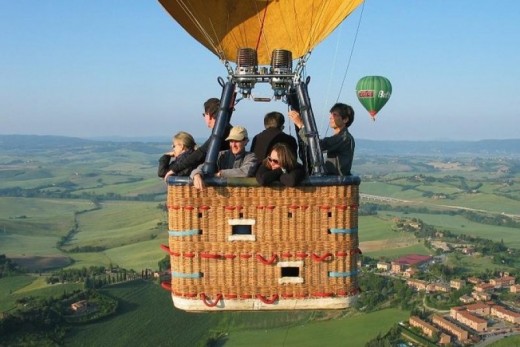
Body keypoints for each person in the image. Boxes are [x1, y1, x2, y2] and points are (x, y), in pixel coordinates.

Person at [163, 97, 233, 178]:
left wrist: (175, 169)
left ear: (209, 115)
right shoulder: (225, 128)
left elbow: (201, 152)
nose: (204, 118)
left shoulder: (220, 131)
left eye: (204, 115)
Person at [288, 103, 355, 176]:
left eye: (335, 115)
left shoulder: (344, 138)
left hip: (336, 181)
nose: (331, 117)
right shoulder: (341, 137)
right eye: (331, 115)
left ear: (345, 119)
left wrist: (300, 125)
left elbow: (317, 146)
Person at [190, 126, 258, 190]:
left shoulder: (251, 157)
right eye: (231, 141)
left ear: (245, 141)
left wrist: (221, 174)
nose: (233, 145)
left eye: (237, 141)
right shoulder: (221, 155)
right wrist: (196, 174)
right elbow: (203, 166)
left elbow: (245, 172)